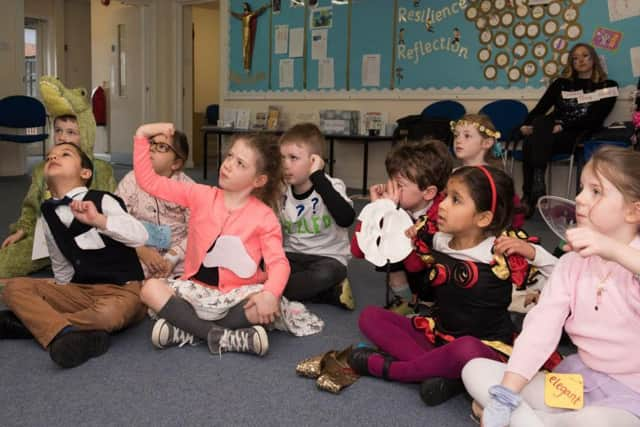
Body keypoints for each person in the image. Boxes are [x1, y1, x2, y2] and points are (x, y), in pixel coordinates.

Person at [348, 166, 557, 406]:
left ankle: (391, 369)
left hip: (483, 348)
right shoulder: (438, 240)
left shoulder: (501, 251)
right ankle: (444, 373)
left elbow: (568, 275)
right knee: (370, 317)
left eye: (455, 200)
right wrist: (383, 209)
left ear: (483, 218)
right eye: (445, 195)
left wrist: (534, 253)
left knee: (464, 348)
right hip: (438, 335)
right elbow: (366, 249)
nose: (443, 205)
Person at [462, 146, 640, 427]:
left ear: (633, 211)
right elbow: (539, 330)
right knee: (475, 370)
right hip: (578, 384)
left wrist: (613, 250)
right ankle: (526, 418)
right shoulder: (572, 263)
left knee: (594, 423)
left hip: (631, 397)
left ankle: (526, 421)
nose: (579, 199)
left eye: (596, 191)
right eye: (581, 188)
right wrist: (507, 393)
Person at [133, 124, 322, 358]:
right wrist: (142, 135)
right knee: (150, 289)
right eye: (230, 156)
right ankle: (218, 335)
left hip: (237, 296)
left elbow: (279, 263)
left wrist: (270, 294)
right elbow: (149, 181)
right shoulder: (200, 194)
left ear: (259, 180)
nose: (228, 165)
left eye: (240, 163)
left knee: (260, 308)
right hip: (196, 291)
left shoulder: (264, 217)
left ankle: (187, 331)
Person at [0, 143, 147, 369]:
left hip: (121, 290)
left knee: (108, 315)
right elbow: (61, 267)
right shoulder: (47, 213)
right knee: (13, 288)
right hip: (80, 290)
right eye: (50, 156)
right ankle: (69, 333)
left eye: (65, 154)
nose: (54, 156)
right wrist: (58, 291)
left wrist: (99, 220)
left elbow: (140, 235)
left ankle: (32, 324)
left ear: (85, 173)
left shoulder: (102, 200)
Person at [0, 76, 117, 280]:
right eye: (59, 131)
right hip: (46, 236)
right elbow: (31, 206)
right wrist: (22, 230)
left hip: (89, 236)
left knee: (104, 271)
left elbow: (114, 206)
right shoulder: (42, 169)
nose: (63, 137)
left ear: (86, 135)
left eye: (71, 132)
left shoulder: (101, 170)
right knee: (7, 261)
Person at [451, 114, 549, 313]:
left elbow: (512, 213)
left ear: (486, 143)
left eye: (467, 136)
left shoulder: (494, 178)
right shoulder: (453, 174)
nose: (459, 140)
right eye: (456, 135)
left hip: (490, 239)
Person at [350, 139, 453, 315]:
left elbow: (415, 265)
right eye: (391, 182)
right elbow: (358, 251)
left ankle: (426, 305)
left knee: (400, 246)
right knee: (384, 247)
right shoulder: (398, 207)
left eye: (400, 186)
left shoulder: (442, 215)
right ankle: (407, 302)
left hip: (435, 272)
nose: (392, 190)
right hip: (414, 267)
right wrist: (376, 212)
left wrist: (398, 220)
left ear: (428, 192)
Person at [518, 43, 618, 216]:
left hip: (578, 134)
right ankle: (537, 183)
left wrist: (563, 126)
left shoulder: (608, 86)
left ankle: (529, 197)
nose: (580, 60)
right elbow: (540, 108)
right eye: (575, 58)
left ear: (594, 59)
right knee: (537, 126)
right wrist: (525, 126)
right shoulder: (561, 84)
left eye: (585, 56)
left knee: (532, 142)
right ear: (571, 63)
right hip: (550, 131)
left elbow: (595, 119)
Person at [279, 123, 356, 310]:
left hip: (327, 258)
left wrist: (318, 178)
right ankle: (327, 294)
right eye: (282, 158)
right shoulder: (281, 189)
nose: (285, 164)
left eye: (293, 158)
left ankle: (274, 290)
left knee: (326, 274)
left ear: (314, 161)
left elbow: (346, 218)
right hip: (293, 255)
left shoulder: (332, 186)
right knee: (261, 263)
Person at [116, 130, 193, 279]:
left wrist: (173, 256)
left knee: (194, 271)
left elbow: (197, 232)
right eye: (151, 143)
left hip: (178, 255)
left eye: (162, 147)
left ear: (176, 163)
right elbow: (117, 219)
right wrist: (140, 249)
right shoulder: (131, 180)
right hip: (139, 251)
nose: (152, 148)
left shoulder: (188, 189)